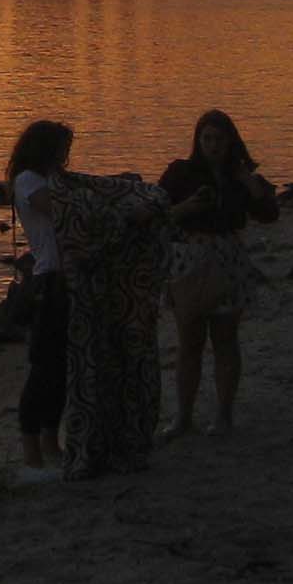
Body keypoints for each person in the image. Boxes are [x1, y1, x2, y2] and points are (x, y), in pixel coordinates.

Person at [45, 164, 173, 479]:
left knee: (104, 365)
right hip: (65, 287)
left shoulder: (60, 185)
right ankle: (51, 448)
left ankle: (80, 446)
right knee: (60, 372)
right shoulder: (39, 185)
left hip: (83, 290)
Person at [158, 108, 277, 437]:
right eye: (207, 139)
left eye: (219, 140)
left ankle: (224, 415)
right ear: (197, 140)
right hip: (189, 260)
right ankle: (184, 417)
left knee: (226, 340)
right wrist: (186, 208)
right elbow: (157, 211)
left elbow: (269, 214)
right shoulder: (181, 173)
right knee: (189, 343)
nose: (213, 146)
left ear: (230, 142)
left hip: (227, 259)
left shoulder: (241, 178)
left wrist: (250, 184)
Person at [6, 118, 74, 475]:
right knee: (44, 366)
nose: (66, 155)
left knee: (61, 367)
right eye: (62, 148)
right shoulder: (29, 181)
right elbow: (59, 208)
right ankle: (31, 444)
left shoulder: (54, 179)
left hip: (68, 278)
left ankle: (51, 438)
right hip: (48, 281)